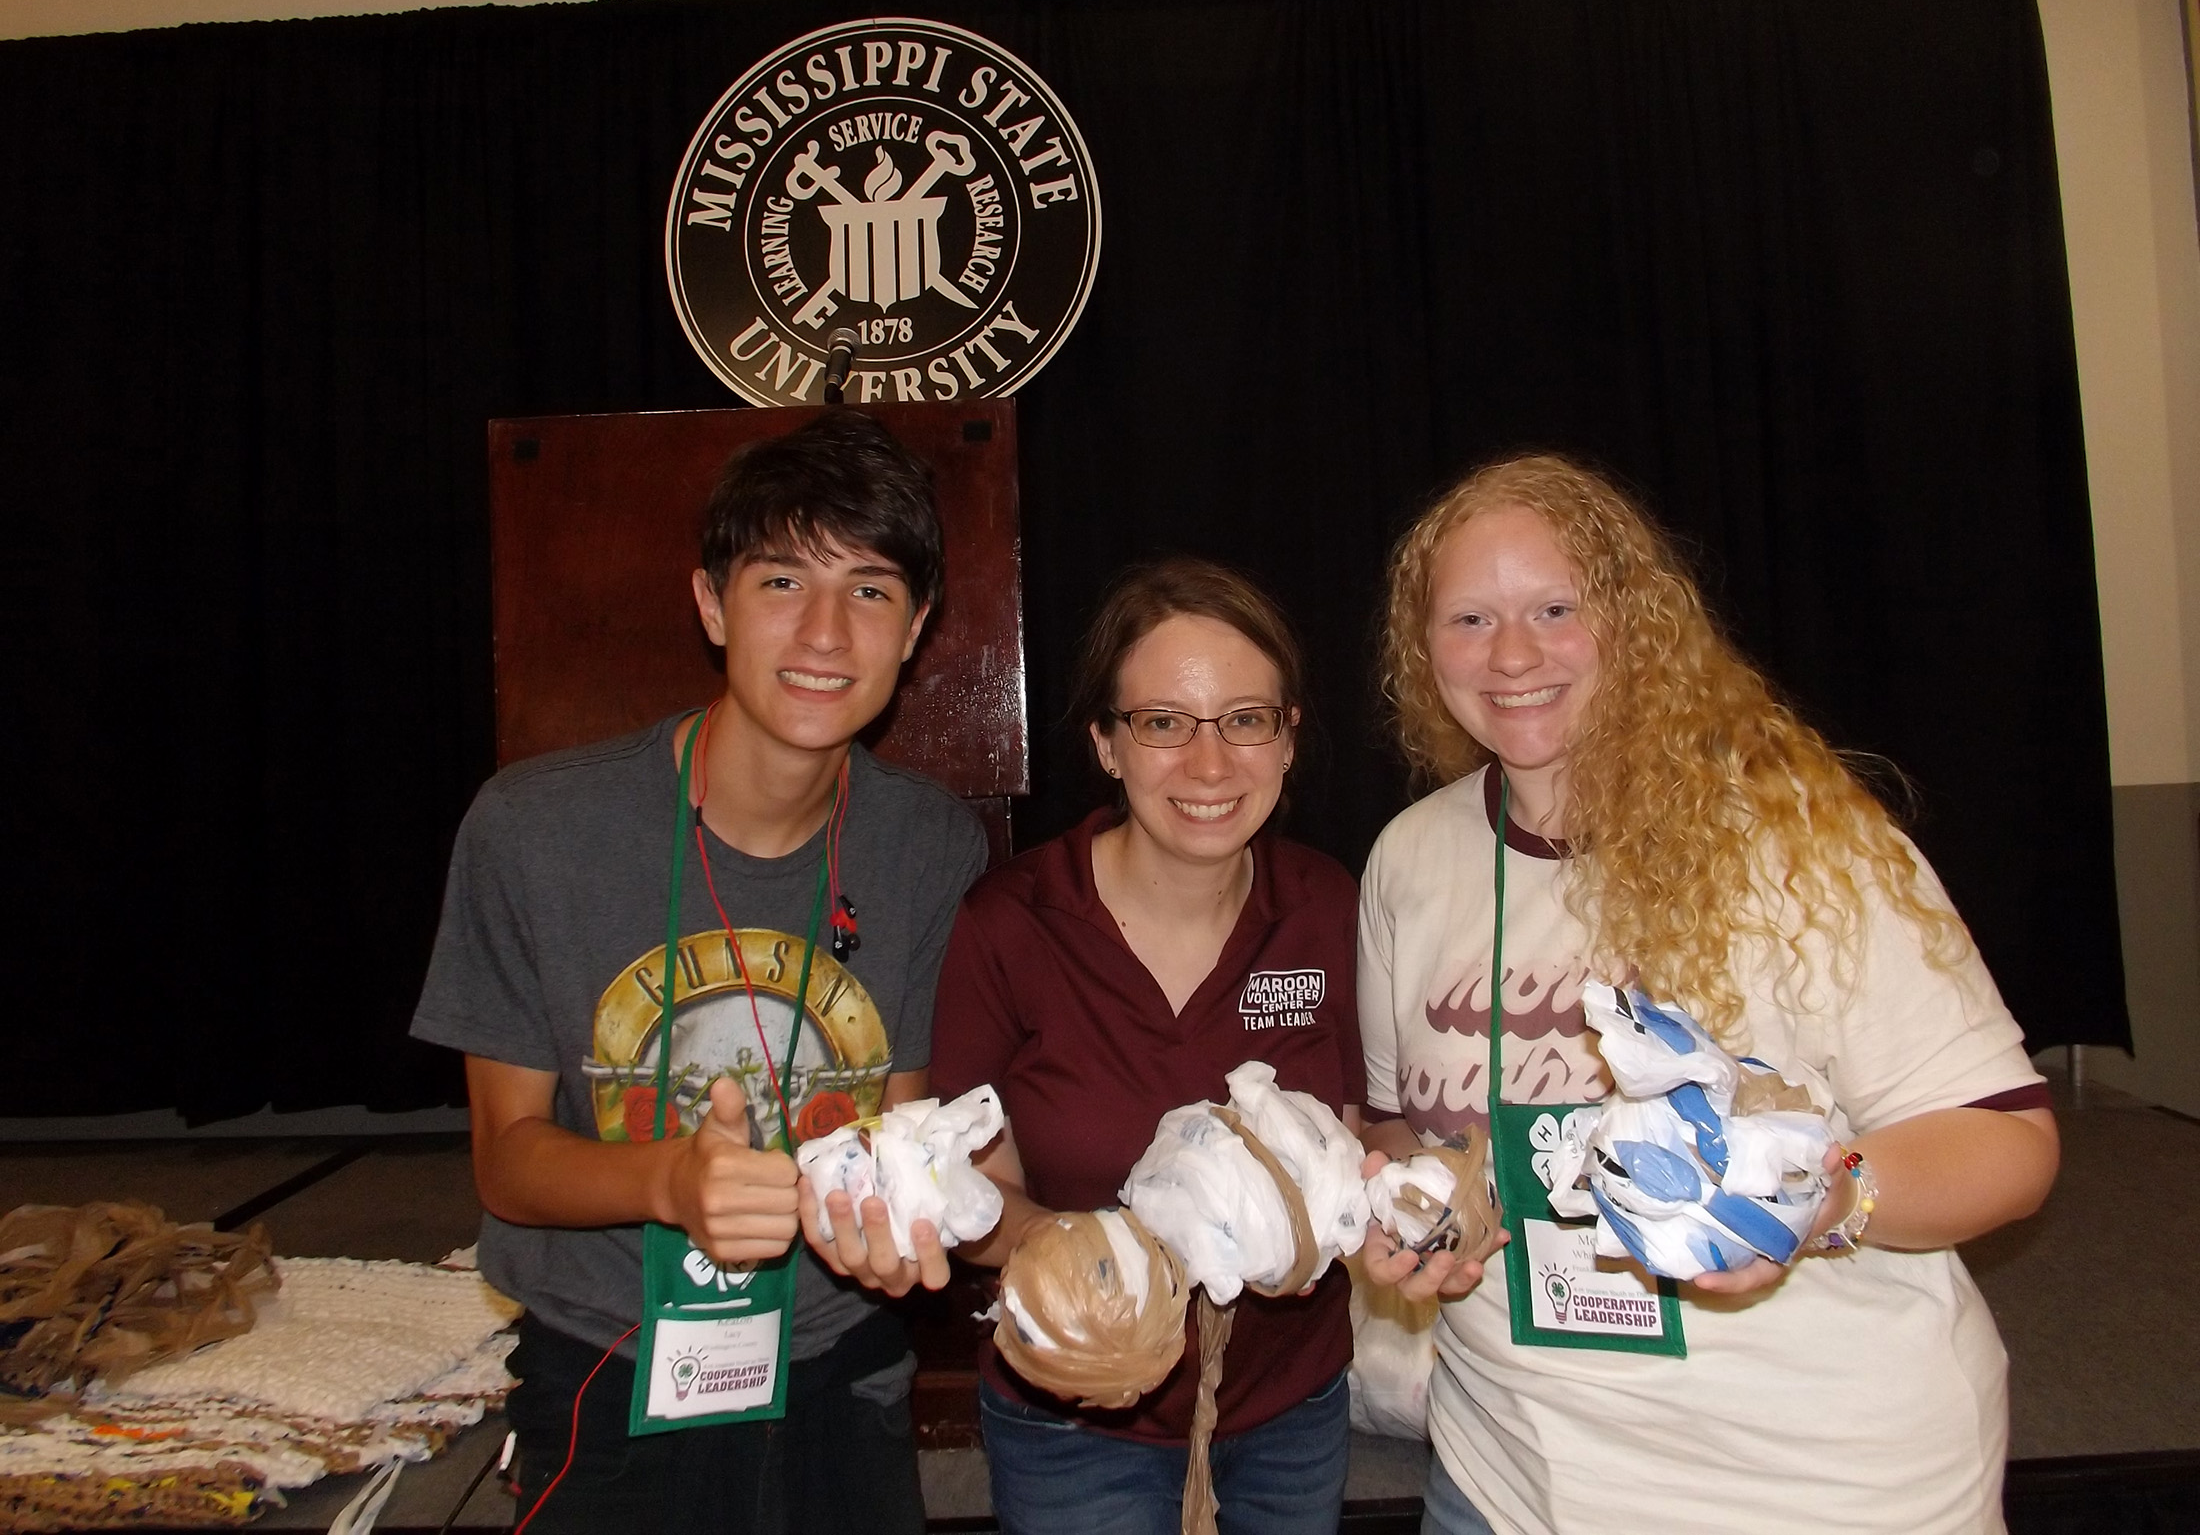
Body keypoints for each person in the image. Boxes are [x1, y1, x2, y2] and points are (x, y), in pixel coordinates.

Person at [1355, 454, 2059, 1535]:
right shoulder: (1410, 858)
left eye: (1555, 608)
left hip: (1813, 1490)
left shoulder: (1800, 843)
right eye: (1468, 620)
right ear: (1422, 646)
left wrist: (1814, 1198)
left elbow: (2006, 1145)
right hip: (1508, 1480)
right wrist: (1427, 1206)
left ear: (1632, 622)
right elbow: (1411, 1127)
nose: (1513, 655)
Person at [410, 410, 990, 1534]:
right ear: (712, 604)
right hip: (611, 1359)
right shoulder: (534, 831)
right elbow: (509, 1164)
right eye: (782, 583)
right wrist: (668, 1182)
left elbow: (898, 1126)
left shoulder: (928, 844)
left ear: (916, 629)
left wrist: (918, 1205)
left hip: (843, 1350)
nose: (824, 633)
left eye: (869, 591)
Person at [918, 558, 1364, 1535]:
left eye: (1244, 719)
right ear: (1107, 746)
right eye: (1162, 723)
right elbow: (967, 1201)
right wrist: (1126, 1260)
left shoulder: (1326, 906)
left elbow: (1374, 1128)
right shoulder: (1012, 926)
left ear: (1288, 738)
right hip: (1074, 1420)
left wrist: (1417, 1202)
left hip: (1290, 1408)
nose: (1209, 765)